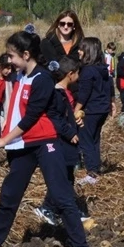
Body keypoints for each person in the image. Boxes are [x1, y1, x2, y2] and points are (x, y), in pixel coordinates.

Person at [0, 30, 90, 247]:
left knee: (62, 196)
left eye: (12, 55)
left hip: (44, 143)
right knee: (9, 195)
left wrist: (4, 139)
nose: (8, 60)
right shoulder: (20, 76)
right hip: (23, 146)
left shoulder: (42, 80)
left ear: (26, 54)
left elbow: (31, 117)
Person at [34, 56, 83, 227]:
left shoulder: (65, 92)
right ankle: (48, 207)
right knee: (62, 178)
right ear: (70, 74)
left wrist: (76, 121)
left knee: (68, 176)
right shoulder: (56, 93)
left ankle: (65, 209)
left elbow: (64, 115)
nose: (79, 76)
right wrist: (69, 132)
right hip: (61, 141)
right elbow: (54, 116)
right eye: (77, 73)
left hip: (68, 139)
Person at [74, 37, 113, 184]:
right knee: (95, 139)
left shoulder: (87, 71)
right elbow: (109, 86)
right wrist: (111, 104)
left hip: (90, 110)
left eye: (81, 49)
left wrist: (76, 109)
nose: (79, 51)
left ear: (87, 51)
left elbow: (84, 94)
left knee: (86, 140)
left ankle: (92, 173)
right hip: (102, 109)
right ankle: (96, 169)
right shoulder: (102, 69)